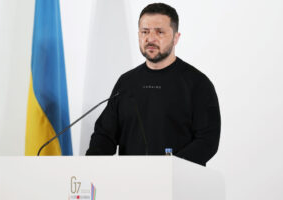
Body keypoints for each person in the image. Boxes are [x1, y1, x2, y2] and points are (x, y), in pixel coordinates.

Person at [86, 3, 221, 166]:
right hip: (129, 183)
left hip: (178, 184)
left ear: (176, 38)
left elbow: (207, 141)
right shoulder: (126, 82)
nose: (150, 39)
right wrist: (90, 167)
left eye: (160, 32)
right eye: (145, 32)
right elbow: (104, 135)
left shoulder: (197, 84)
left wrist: (171, 167)